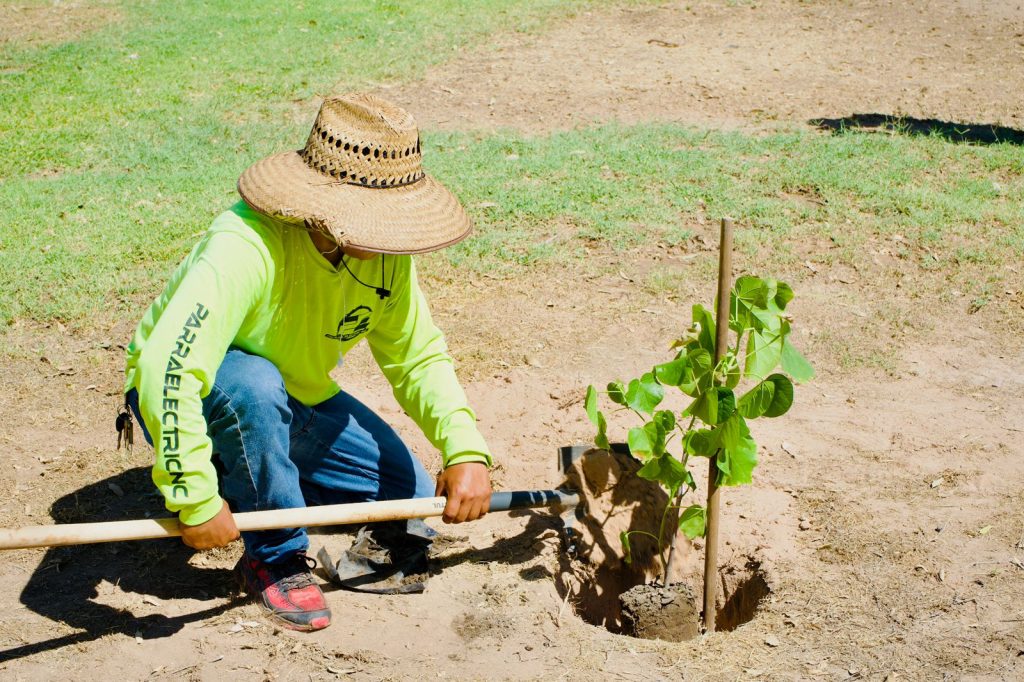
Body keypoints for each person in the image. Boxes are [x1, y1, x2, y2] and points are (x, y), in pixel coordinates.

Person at [122, 93, 493, 632]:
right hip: (206, 393)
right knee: (252, 384)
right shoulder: (244, 244)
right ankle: (274, 558)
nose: (392, 233)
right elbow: (166, 372)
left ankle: (247, 478)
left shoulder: (386, 260)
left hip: (296, 396)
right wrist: (194, 498)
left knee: (407, 497)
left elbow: (417, 356)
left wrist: (464, 450)